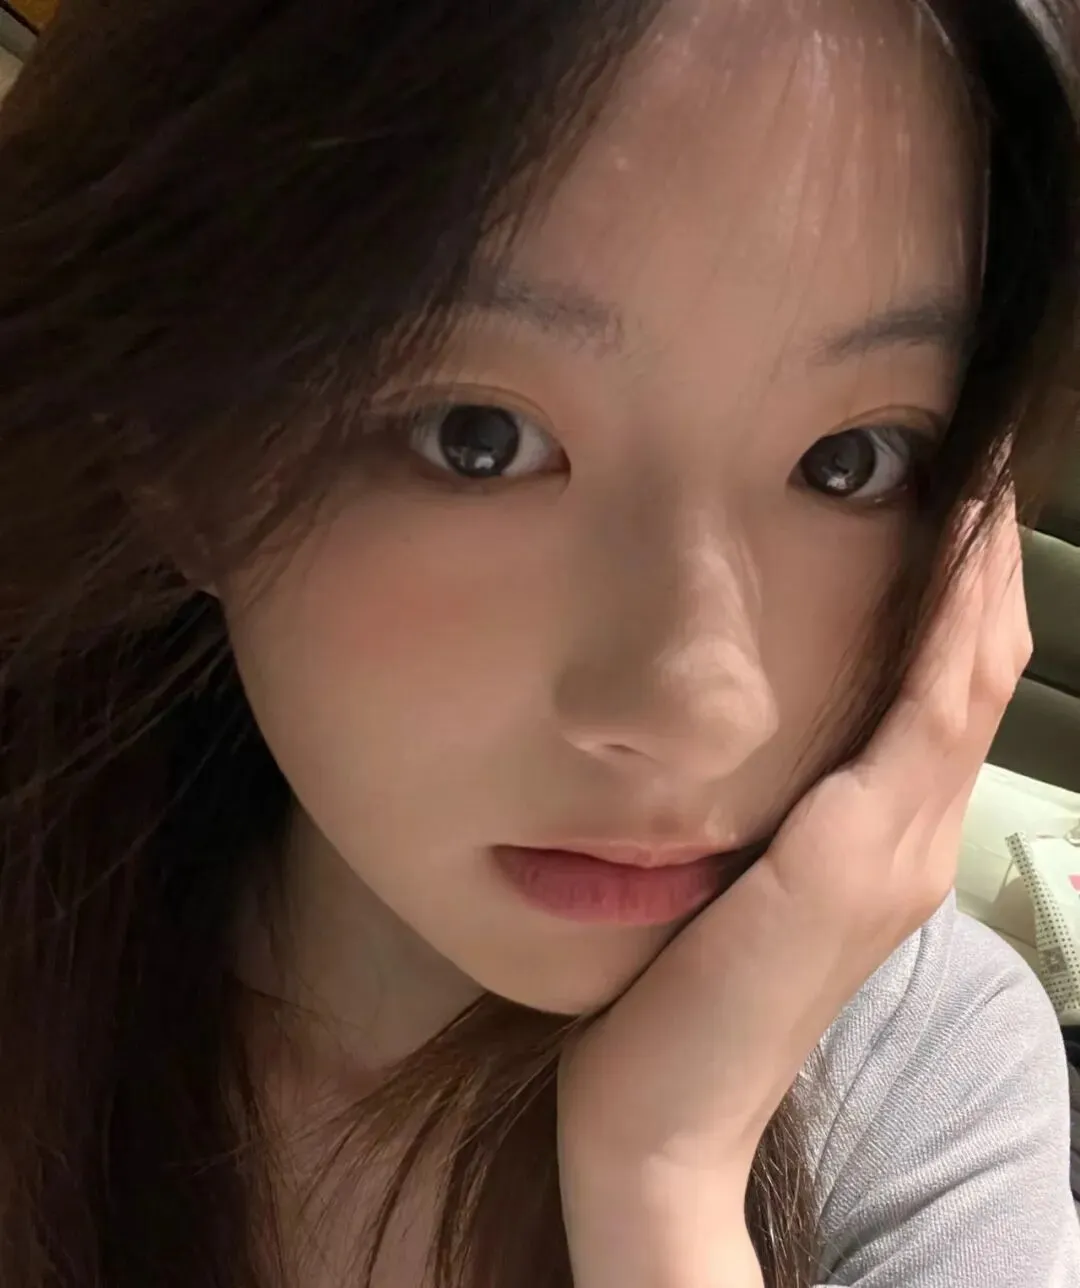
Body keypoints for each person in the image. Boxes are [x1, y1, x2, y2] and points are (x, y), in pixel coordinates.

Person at [0, 0, 1078, 1284]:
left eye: (851, 460)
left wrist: (665, 1184)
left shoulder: (927, 1081)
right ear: (175, 451)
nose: (703, 712)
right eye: (479, 437)